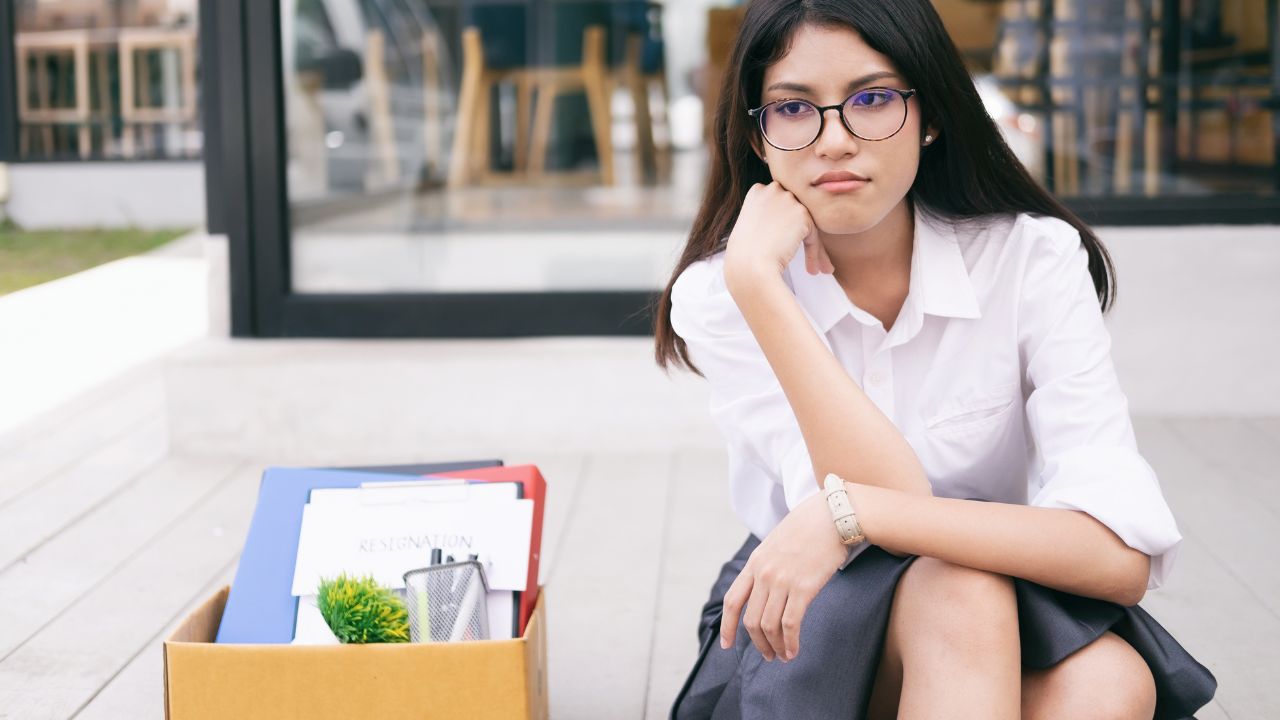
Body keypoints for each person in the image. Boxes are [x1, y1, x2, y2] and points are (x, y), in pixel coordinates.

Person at [651, 0, 1218, 718]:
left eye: (874, 99)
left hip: (1003, 591)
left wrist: (848, 510)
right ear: (757, 139)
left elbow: (1118, 558)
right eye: (794, 110)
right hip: (806, 612)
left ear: (933, 115)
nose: (834, 139)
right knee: (961, 589)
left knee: (1106, 682)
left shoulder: (1029, 258)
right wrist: (762, 285)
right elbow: (887, 506)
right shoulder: (727, 291)